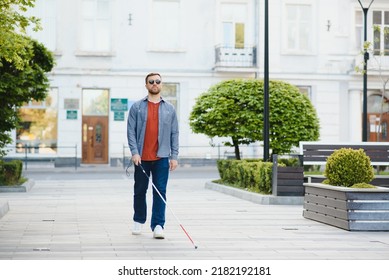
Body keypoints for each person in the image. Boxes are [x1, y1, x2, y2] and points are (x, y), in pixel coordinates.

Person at [127, 72, 179, 239]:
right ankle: (138, 220)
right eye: (151, 82)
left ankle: (158, 225)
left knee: (160, 191)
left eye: (157, 81)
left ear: (161, 84)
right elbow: (131, 132)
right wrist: (134, 152)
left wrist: (174, 156)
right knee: (140, 190)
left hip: (162, 157)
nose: (154, 84)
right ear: (146, 85)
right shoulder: (137, 107)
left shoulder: (170, 108)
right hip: (141, 158)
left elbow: (174, 133)